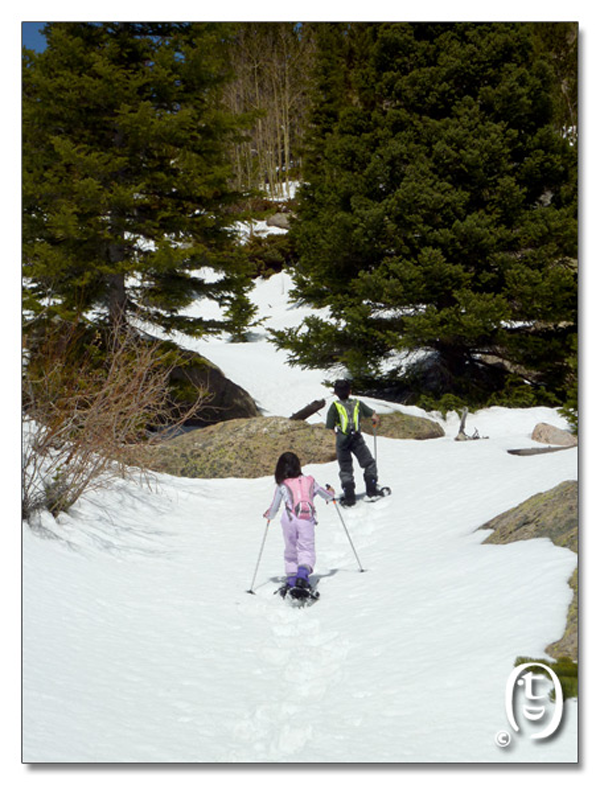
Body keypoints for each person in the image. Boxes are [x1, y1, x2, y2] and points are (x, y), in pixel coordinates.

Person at [263, 451, 335, 593]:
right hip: (306, 519)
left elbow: (274, 507)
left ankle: (291, 580)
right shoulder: (310, 481)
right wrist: (331, 493)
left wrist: (269, 516)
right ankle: (302, 577)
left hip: (288, 519)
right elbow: (325, 495)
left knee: (291, 550)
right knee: (306, 549)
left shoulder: (282, 485)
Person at [326, 378, 382, 506]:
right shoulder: (357, 403)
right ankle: (372, 490)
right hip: (357, 438)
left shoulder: (335, 406)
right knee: (368, 463)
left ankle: (349, 496)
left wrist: (338, 436)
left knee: (345, 468)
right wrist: (375, 421)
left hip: (342, 439)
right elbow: (374, 416)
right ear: (350, 391)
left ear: (335, 393)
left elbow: (330, 427)